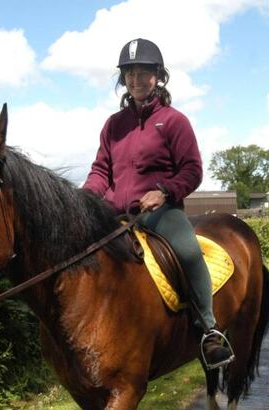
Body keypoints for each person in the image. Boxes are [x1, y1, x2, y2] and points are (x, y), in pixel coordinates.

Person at [83, 38, 233, 369]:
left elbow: (192, 170)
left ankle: (209, 330)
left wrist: (164, 191)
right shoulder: (113, 124)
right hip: (113, 213)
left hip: (158, 212)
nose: (136, 80)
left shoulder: (174, 121)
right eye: (130, 74)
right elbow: (100, 172)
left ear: (158, 76)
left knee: (189, 252)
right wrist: (84, 199)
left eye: (144, 73)